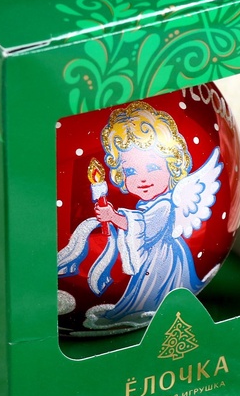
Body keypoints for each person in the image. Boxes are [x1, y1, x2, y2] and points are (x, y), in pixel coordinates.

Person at [58, 100, 223, 330]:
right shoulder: (149, 203)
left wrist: (113, 216)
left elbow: (143, 226)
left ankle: (139, 310)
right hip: (152, 258)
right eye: (131, 171)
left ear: (172, 166)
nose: (142, 179)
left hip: (163, 261)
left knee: (151, 288)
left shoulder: (165, 205)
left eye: (152, 168)